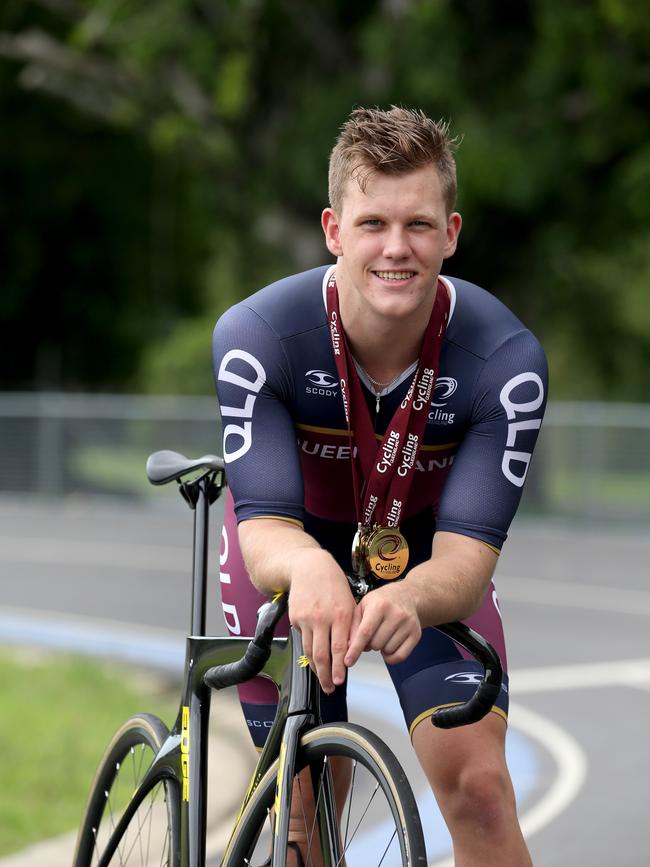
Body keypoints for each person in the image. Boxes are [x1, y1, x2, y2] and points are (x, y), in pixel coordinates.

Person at [213, 105, 546, 866]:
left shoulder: (504, 360)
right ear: (333, 230)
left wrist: (410, 597)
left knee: (483, 792)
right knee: (305, 804)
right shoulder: (259, 336)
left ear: (452, 233)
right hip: (291, 547)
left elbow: (467, 559)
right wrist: (307, 567)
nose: (397, 248)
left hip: (422, 560)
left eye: (419, 225)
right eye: (373, 224)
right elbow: (262, 528)